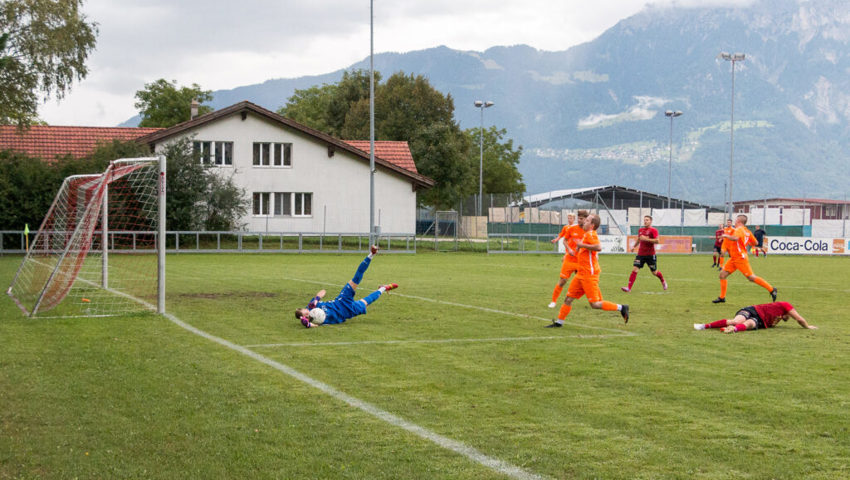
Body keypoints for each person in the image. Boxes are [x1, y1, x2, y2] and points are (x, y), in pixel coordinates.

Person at [547, 214, 629, 327]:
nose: (584, 222)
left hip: (588, 275)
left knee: (595, 304)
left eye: (587, 220)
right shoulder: (587, 234)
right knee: (568, 298)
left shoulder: (591, 234)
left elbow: (598, 247)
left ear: (592, 225)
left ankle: (622, 307)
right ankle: (559, 322)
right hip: (580, 273)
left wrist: (581, 244)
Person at [295, 245, 397, 328]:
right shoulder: (313, 320)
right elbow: (312, 325)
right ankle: (383, 288)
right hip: (347, 312)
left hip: (341, 300)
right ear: (302, 318)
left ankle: (371, 254)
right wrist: (306, 322)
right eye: (305, 315)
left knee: (355, 279)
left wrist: (316, 299)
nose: (308, 313)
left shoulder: (312, 306)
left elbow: (323, 291)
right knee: (367, 301)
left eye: (306, 312)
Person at [712, 214, 777, 304]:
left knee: (751, 277)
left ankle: (772, 289)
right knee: (722, 275)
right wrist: (746, 242)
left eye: (735, 220)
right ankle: (722, 297)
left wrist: (726, 236)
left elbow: (735, 238)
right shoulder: (747, 231)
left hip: (740, 258)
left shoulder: (739, 229)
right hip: (734, 258)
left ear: (738, 221)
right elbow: (755, 242)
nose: (734, 222)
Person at [548, 210, 589, 308]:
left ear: (586, 220)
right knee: (562, 281)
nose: (580, 220)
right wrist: (569, 249)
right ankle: (553, 301)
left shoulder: (588, 231)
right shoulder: (571, 228)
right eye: (579, 218)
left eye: (582, 219)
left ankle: (594, 300)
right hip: (570, 259)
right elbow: (564, 241)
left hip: (581, 261)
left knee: (584, 282)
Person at [694, 301, 816, 333]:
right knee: (736, 321)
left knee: (749, 324)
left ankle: (733, 330)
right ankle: (704, 326)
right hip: (753, 310)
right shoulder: (786, 305)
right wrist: (807, 327)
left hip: (760, 320)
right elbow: (799, 319)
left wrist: (782, 318)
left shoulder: (778, 317)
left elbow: (777, 319)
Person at [621, 215, 667, 292]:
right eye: (644, 220)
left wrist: (646, 239)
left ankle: (663, 281)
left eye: (647, 220)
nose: (645, 221)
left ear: (651, 221)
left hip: (650, 255)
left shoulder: (653, 230)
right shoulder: (641, 230)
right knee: (635, 269)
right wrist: (634, 246)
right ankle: (629, 288)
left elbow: (657, 241)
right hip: (640, 254)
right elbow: (639, 239)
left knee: (654, 272)